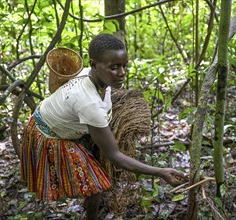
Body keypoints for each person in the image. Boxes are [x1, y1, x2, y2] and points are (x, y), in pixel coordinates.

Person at [20, 33, 187, 219]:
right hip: (49, 134)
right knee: (95, 186)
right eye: (114, 68)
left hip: (60, 122)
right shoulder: (89, 103)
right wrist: (161, 172)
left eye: (124, 66)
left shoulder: (93, 77)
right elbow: (115, 156)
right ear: (93, 65)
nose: (122, 73)